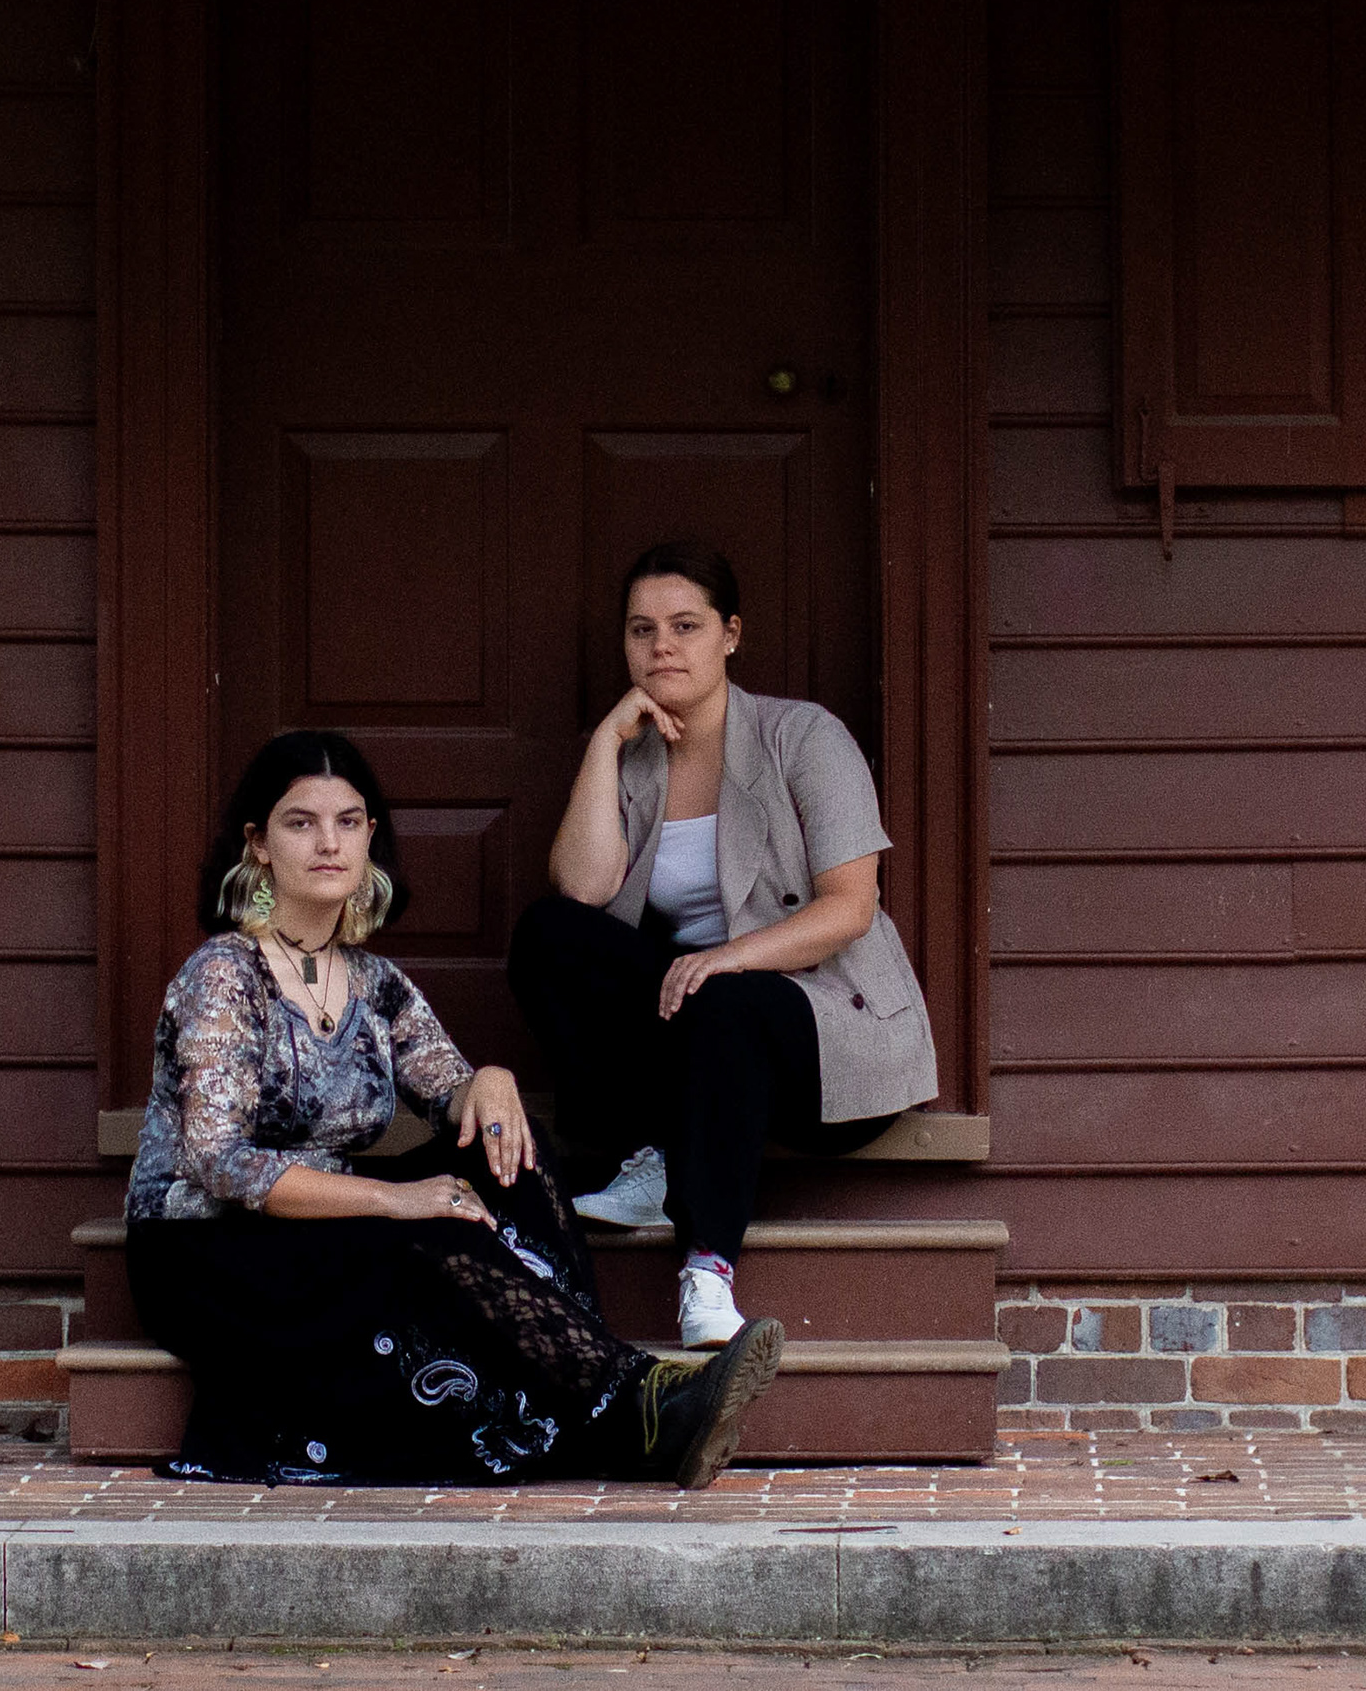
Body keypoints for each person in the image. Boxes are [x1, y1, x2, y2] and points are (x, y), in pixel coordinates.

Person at [124, 726, 782, 1489]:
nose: (328, 843)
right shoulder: (225, 975)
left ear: (370, 837)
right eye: (300, 823)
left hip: (324, 1224)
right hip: (207, 1248)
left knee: (510, 1149)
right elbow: (220, 1163)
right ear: (259, 845)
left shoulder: (373, 983)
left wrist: (489, 1082)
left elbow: (449, 1091)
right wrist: (393, 1200)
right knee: (426, 1226)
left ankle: (607, 1388)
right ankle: (632, 1400)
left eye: (347, 822)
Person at [507, 542, 940, 1348]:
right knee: (548, 934)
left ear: (731, 634)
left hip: (822, 1026)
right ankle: (653, 1156)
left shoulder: (802, 737)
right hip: (697, 1032)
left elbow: (850, 908)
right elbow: (583, 889)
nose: (661, 647)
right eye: (641, 630)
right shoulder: (636, 756)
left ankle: (707, 1270)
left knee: (728, 1000)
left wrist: (729, 958)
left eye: (685, 626)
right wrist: (605, 744)